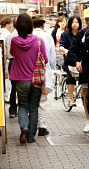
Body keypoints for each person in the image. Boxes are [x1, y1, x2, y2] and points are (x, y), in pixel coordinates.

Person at [10, 13, 48, 143]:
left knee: (22, 105)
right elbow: (46, 60)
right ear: (31, 25)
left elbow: (12, 54)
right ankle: (31, 137)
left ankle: (24, 128)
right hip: (36, 79)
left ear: (18, 26)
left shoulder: (14, 41)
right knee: (33, 107)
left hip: (20, 79)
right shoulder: (38, 40)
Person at [67, 9, 89, 133]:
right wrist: (77, 61)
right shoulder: (81, 34)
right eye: (87, 19)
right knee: (86, 94)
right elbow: (73, 50)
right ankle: (88, 120)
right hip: (85, 67)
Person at [32, 14, 56, 136]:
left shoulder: (28, 36)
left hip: (29, 72)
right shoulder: (47, 37)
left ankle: (31, 126)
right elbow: (51, 58)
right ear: (42, 25)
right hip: (43, 72)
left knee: (31, 101)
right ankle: (42, 126)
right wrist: (52, 70)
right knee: (43, 100)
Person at [59, 15, 81, 108]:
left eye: (76, 22)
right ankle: (70, 98)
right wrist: (65, 51)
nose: (75, 24)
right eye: (73, 22)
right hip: (69, 60)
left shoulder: (82, 33)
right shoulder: (65, 34)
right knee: (70, 78)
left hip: (80, 60)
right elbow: (60, 46)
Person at [5, 17, 18, 118]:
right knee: (23, 86)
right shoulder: (26, 36)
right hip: (19, 61)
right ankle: (21, 108)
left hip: (12, 62)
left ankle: (12, 110)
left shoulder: (9, 36)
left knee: (14, 86)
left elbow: (6, 54)